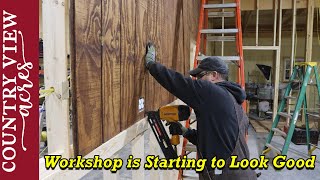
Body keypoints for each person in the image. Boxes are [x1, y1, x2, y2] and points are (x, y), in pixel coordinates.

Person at [145, 43, 257, 180]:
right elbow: (217, 140)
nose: (197, 80)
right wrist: (186, 132)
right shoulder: (233, 99)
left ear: (214, 75)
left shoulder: (211, 92)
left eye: (200, 76)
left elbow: (177, 82)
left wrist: (151, 64)